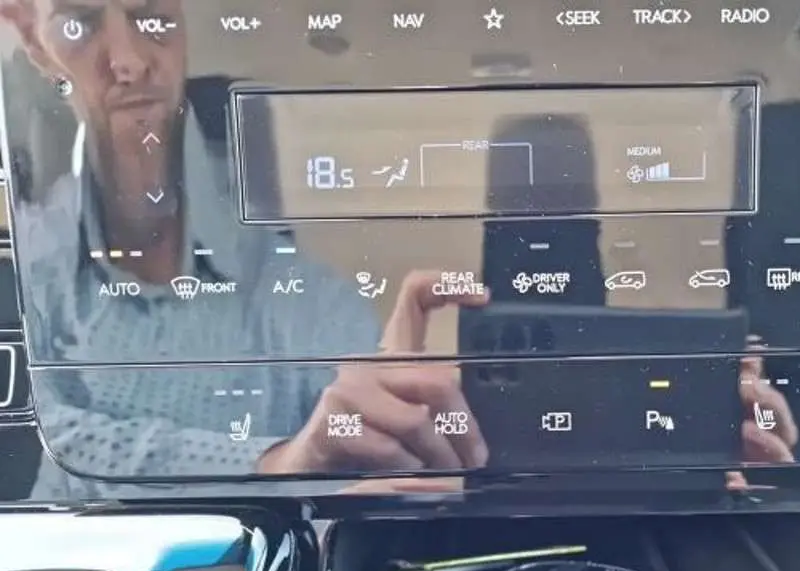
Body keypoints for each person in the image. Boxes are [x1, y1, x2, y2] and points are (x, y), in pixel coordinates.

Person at [0, 0, 490, 497]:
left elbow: (365, 447)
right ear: (31, 36)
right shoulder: (23, 272)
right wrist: (278, 464)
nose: (128, 61)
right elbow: (40, 446)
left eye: (151, 17)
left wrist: (391, 421)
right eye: (79, 24)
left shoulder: (312, 300)